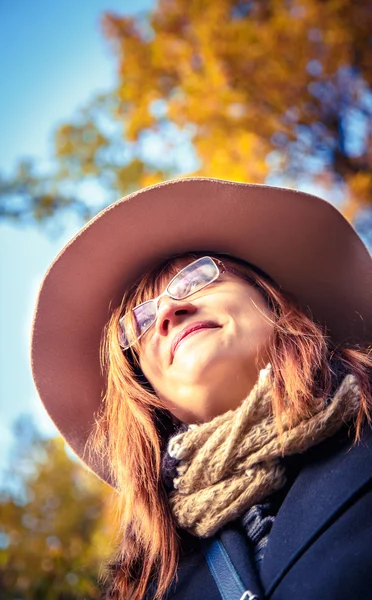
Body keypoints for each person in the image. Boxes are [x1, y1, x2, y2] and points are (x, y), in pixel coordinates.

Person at [31, 177, 372, 600]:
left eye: (195, 279)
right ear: (151, 393)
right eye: (139, 323)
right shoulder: (148, 584)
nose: (169, 311)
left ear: (273, 301)